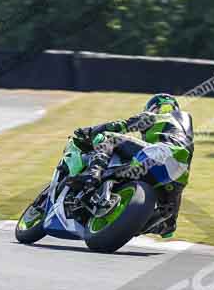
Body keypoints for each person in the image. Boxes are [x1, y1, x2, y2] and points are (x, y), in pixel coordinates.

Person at [69, 93, 194, 237]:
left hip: (160, 154)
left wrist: (90, 131)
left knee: (109, 138)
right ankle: (143, 224)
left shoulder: (159, 116)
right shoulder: (185, 131)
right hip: (179, 174)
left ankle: (92, 175)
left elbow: (120, 126)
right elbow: (168, 232)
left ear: (155, 108)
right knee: (167, 222)